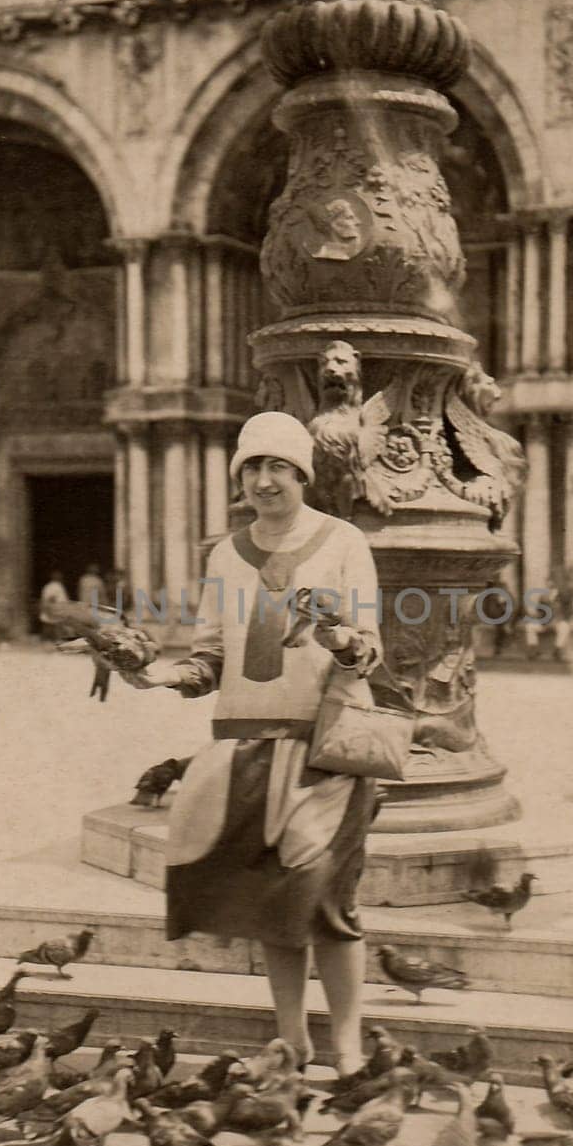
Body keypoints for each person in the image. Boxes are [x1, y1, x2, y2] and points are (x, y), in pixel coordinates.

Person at [115, 412, 382, 1076]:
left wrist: (342, 639)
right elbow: (208, 660)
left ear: (302, 475)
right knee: (276, 911)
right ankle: (288, 1045)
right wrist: (153, 676)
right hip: (246, 750)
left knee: (326, 904)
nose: (264, 481)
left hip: (328, 750)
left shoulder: (342, 541)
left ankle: (347, 1052)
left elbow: (370, 652)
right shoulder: (223, 554)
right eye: (252, 468)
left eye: (278, 468)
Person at [39, 570, 68, 640]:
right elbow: (51, 597)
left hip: (54, 608)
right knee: (54, 625)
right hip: (54, 608)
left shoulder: (51, 586)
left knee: (52, 625)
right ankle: (54, 640)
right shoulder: (55, 586)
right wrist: (52, 608)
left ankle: (50, 640)